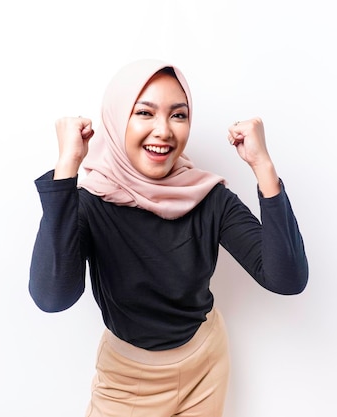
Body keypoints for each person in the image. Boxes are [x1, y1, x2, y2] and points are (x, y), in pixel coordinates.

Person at [29, 59, 308, 417]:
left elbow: (287, 279)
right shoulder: (90, 204)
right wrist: (66, 167)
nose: (164, 130)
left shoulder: (209, 197)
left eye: (178, 115)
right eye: (144, 113)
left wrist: (264, 168)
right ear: (117, 119)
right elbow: (53, 297)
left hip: (204, 364)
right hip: (126, 380)